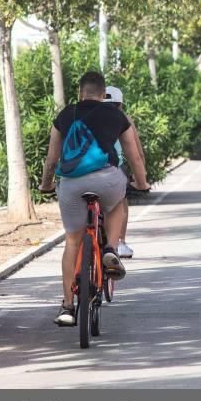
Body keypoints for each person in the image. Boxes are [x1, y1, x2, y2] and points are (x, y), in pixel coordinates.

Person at [39, 72, 150, 327]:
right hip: (107, 179)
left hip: (71, 183)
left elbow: (52, 159)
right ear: (103, 94)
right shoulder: (117, 115)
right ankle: (111, 248)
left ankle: (67, 306)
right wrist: (141, 183)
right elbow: (134, 157)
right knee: (116, 206)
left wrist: (46, 185)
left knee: (72, 242)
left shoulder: (66, 115)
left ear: (80, 93)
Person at [103, 86, 145, 259]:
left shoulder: (87, 116)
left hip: (83, 169)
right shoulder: (124, 118)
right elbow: (137, 151)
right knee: (121, 204)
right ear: (120, 104)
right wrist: (140, 177)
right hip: (114, 167)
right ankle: (119, 242)